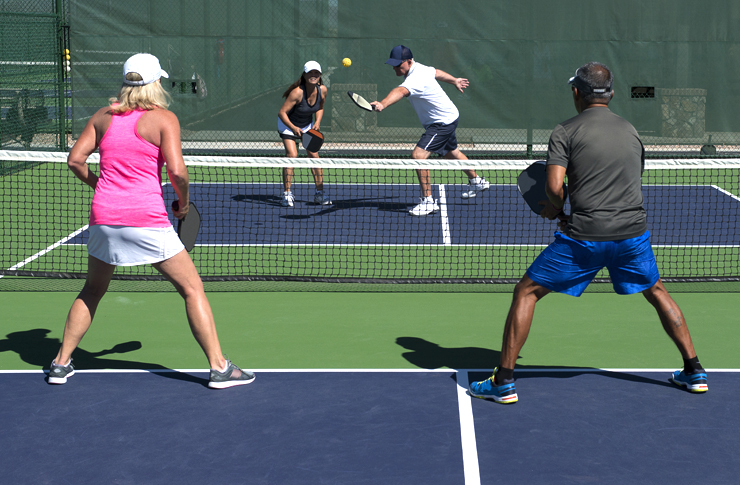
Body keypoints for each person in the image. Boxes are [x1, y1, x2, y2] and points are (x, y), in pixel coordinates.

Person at [469, 62, 707, 403]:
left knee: (526, 292)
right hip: (632, 234)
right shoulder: (630, 130)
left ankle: (503, 381)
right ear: (610, 94)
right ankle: (694, 370)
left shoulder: (565, 131)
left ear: (576, 93)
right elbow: (630, 180)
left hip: (585, 236)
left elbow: (553, 188)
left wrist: (559, 211)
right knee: (656, 290)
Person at [47, 53, 254, 389]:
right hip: (147, 219)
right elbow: (176, 171)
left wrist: (101, 185)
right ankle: (219, 368)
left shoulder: (102, 116)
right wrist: (183, 205)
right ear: (154, 83)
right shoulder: (164, 119)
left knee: (93, 290)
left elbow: (75, 160)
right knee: (191, 289)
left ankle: (60, 363)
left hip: (104, 217)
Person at [370, 45, 489, 216]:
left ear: (409, 61)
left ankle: (428, 201)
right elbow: (437, 72)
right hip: (449, 116)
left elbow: (400, 91)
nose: (395, 68)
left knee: (418, 156)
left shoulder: (414, 79)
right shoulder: (421, 68)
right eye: (393, 64)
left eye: (398, 64)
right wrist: (454, 80)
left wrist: (383, 103)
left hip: (441, 123)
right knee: (451, 152)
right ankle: (476, 181)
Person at [277, 60, 331, 207]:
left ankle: (319, 194)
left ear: (320, 75)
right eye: (310, 73)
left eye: (316, 73)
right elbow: (282, 113)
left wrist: (317, 123)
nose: (313, 75)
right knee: (292, 155)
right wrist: (294, 128)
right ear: (305, 74)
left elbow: (320, 107)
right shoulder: (297, 93)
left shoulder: (323, 90)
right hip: (288, 125)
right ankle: (287, 194)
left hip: (307, 125)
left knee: (314, 156)